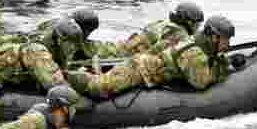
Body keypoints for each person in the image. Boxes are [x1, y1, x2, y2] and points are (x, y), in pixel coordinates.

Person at [68, 15, 237, 100]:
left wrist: (223, 60)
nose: (227, 44)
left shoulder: (197, 45)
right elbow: (201, 82)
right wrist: (224, 67)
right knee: (98, 88)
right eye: (226, 39)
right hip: (139, 70)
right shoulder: (194, 52)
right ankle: (66, 77)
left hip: (147, 66)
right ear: (214, 37)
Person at [106, 1, 205, 57]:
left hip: (120, 48)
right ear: (189, 22)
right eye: (197, 25)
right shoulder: (179, 34)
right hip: (126, 56)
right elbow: (156, 55)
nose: (197, 28)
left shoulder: (161, 23)